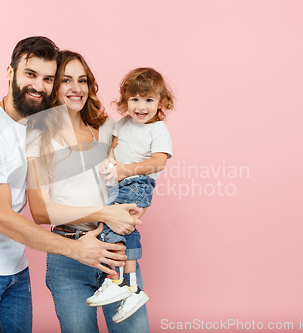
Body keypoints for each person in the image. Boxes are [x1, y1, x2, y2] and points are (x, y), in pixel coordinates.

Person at [0, 37, 138, 333]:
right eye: (30, 74)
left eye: (47, 78)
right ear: (10, 72)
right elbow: (2, 218)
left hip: (15, 268)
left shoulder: (37, 128)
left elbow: (80, 170)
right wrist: (75, 249)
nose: (39, 86)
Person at [26, 51, 150, 332]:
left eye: (82, 80)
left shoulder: (106, 129)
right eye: (66, 80)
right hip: (68, 256)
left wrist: (134, 208)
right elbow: (40, 211)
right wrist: (105, 211)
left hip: (114, 250)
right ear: (53, 86)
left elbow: (136, 170)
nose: (76, 88)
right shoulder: (37, 136)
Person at [86, 67, 174, 323]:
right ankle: (131, 287)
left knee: (113, 227)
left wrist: (126, 170)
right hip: (120, 184)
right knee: (124, 230)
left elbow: (158, 162)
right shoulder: (122, 124)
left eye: (148, 99)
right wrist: (110, 162)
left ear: (161, 102)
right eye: (134, 99)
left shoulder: (157, 130)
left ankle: (116, 280)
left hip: (138, 183)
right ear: (125, 101)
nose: (141, 106)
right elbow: (113, 148)